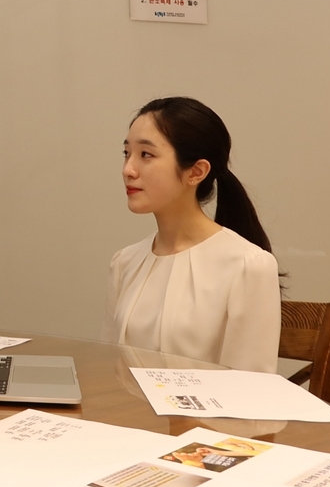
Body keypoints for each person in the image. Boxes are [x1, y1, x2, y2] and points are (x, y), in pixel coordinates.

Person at [102, 97, 280, 372]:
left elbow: (249, 388)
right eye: (127, 153)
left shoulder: (248, 265)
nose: (128, 170)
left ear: (196, 172)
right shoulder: (125, 262)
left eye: (146, 155)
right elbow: (109, 370)